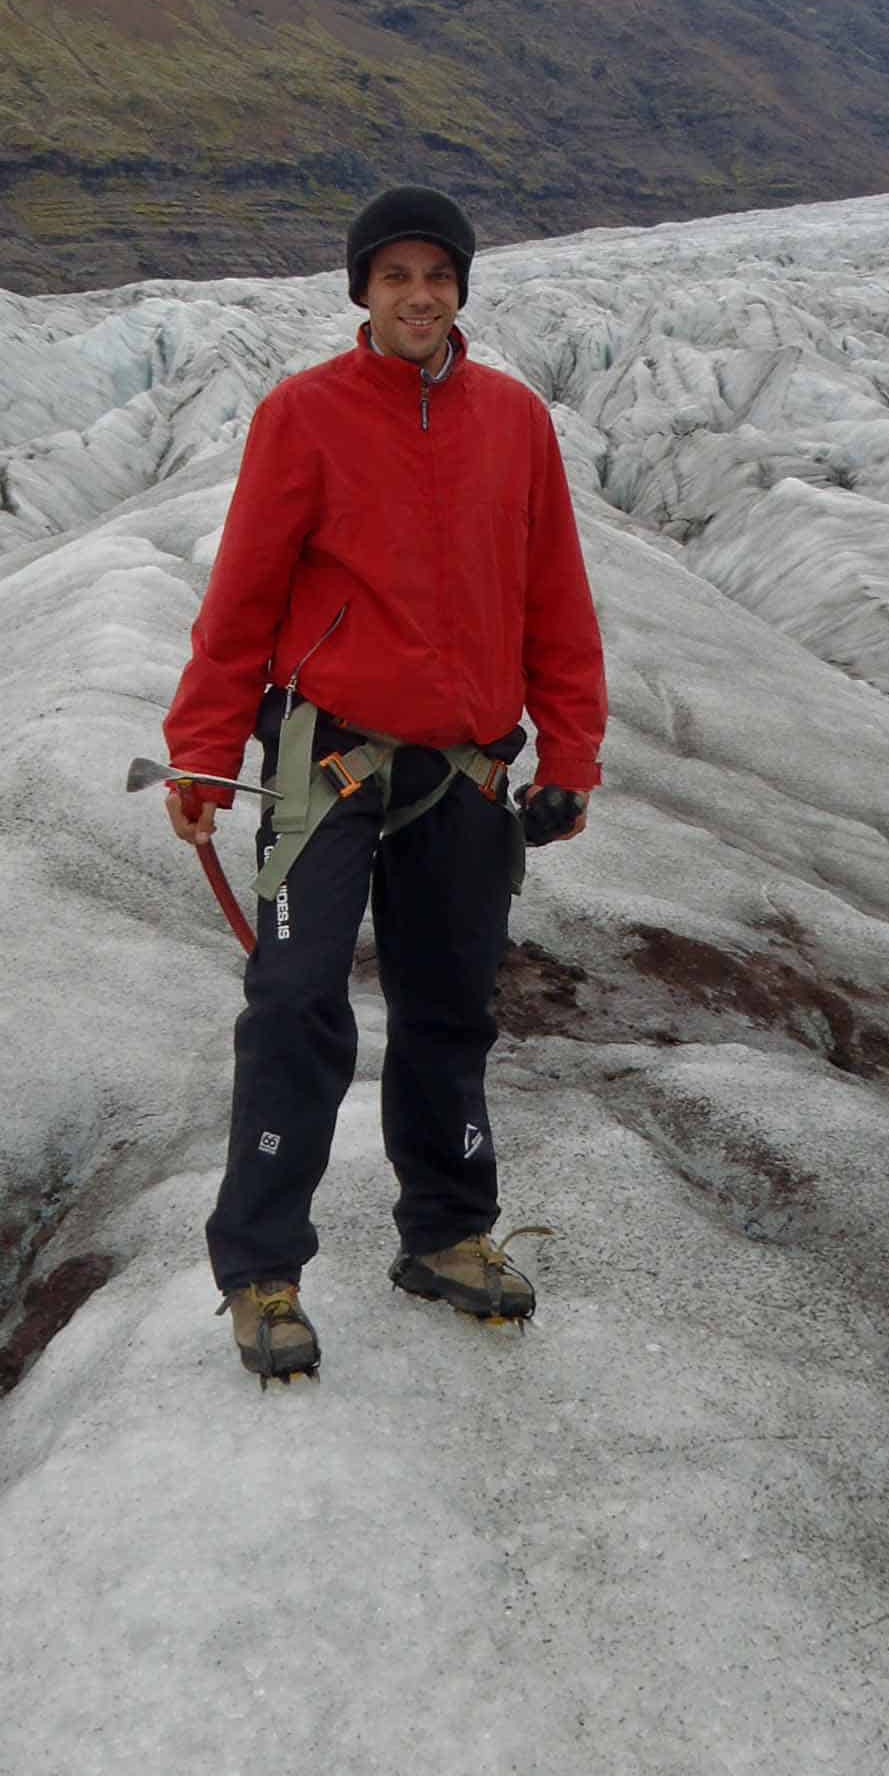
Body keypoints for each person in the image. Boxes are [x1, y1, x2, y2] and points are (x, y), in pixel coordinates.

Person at [163, 184, 607, 1381]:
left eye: (439, 275)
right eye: (396, 275)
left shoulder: (514, 421)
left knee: (450, 1005)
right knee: (297, 1001)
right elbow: (244, 597)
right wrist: (205, 748)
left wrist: (569, 753)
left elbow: (555, 597)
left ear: (462, 288)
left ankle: (447, 1234)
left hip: (465, 769)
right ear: (361, 288)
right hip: (332, 757)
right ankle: (262, 1267)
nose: (420, 295)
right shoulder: (304, 417)